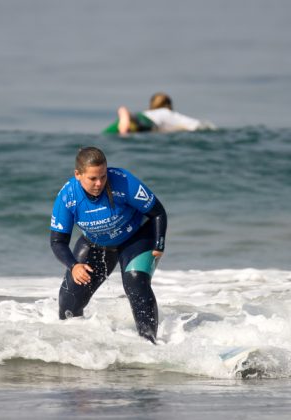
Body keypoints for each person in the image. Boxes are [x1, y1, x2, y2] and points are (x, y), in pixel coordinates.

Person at [49, 146, 167, 344]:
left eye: (103, 176)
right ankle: (76, 349)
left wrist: (159, 245)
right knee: (68, 302)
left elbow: (158, 212)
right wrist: (74, 265)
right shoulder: (67, 197)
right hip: (95, 244)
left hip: (135, 238)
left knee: (135, 281)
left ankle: (150, 345)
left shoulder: (123, 182)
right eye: (92, 178)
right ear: (78, 174)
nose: (99, 183)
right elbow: (57, 241)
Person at [102, 92, 217, 134]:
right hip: (144, 123)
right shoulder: (166, 112)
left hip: (136, 119)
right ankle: (124, 118)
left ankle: (124, 119)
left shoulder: (150, 112)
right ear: (169, 105)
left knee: (107, 134)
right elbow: (195, 125)